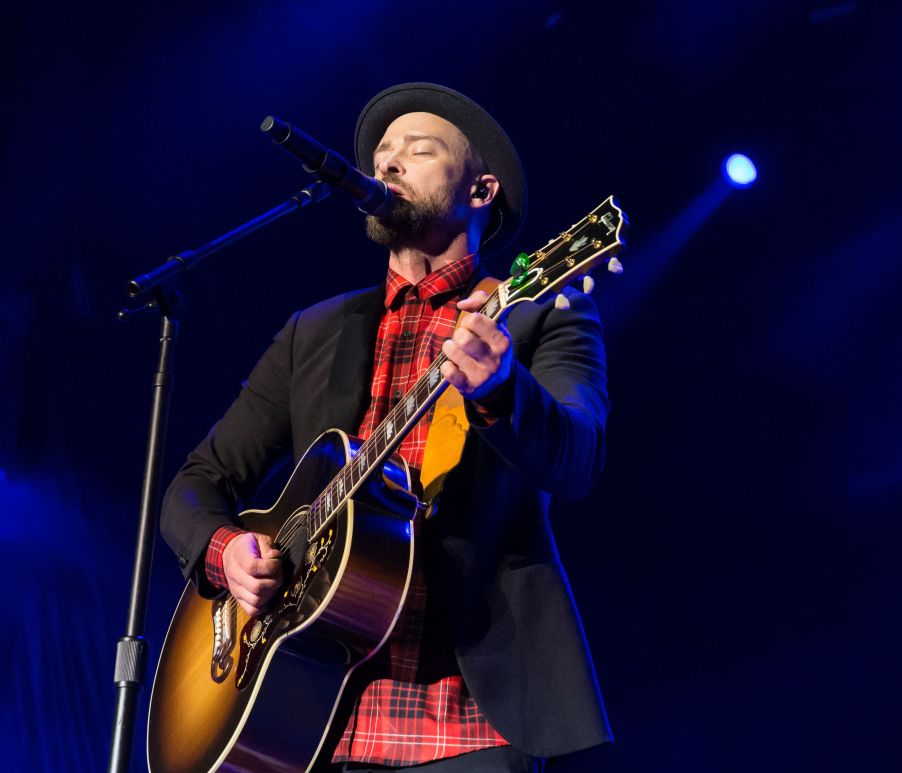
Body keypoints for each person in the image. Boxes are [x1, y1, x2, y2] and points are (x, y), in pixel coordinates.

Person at [160, 82, 612, 772]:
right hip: (311, 716)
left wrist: (499, 391)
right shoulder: (314, 332)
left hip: (469, 719)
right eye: (381, 154)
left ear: (482, 189)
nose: (388, 164)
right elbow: (195, 484)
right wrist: (226, 552)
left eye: (419, 149)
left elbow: (578, 459)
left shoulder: (540, 314)